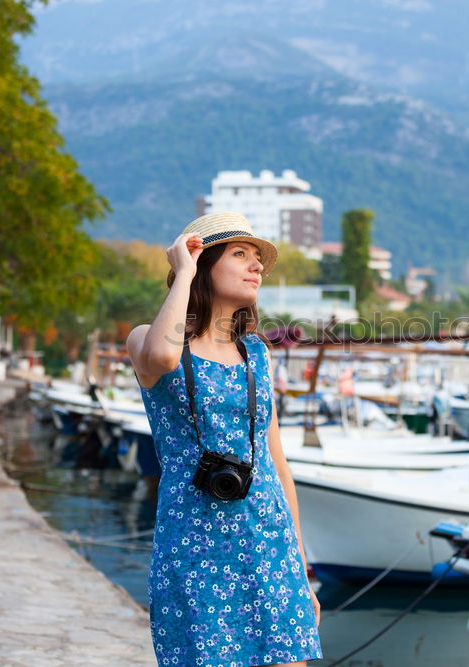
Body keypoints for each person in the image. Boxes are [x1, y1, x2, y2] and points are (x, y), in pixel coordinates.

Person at [125, 212, 322, 667]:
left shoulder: (255, 353)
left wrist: (301, 567)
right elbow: (161, 355)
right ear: (203, 263)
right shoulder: (148, 340)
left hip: (269, 545)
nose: (256, 267)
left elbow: (277, 466)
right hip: (196, 549)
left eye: (258, 259)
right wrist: (184, 272)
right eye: (240, 254)